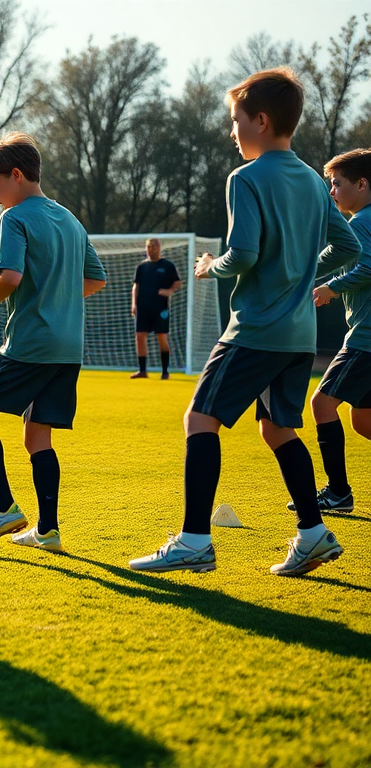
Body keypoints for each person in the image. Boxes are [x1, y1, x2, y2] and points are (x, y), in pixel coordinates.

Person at [130, 68, 362, 576]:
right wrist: (301, 271)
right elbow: (349, 246)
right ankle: (314, 533)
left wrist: (212, 265)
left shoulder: (246, 178)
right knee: (278, 429)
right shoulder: (310, 179)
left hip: (255, 330)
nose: (232, 132)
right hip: (298, 335)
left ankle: (194, 541)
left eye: (236, 121)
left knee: (199, 420)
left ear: (260, 120)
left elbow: (245, 254)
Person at [0, 132, 106, 554]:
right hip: (67, 348)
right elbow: (96, 278)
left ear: (17, 175)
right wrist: (57, 295)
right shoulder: (70, 220)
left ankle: (2, 506)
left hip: (30, 344)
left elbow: (11, 278)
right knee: (37, 437)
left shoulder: (16, 218)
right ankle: (47, 530)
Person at [300, 148, 371, 513]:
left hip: (366, 339)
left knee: (321, 403)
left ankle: (338, 493)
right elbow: (333, 256)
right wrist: (305, 271)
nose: (332, 192)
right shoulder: (363, 222)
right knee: (363, 420)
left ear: (362, 184)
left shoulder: (361, 222)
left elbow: (368, 268)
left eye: (337, 184)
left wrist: (332, 287)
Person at [130, 238, 181, 379]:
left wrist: (169, 290)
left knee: (161, 336)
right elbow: (136, 285)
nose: (150, 249)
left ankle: (165, 372)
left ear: (158, 247)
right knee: (140, 336)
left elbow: (177, 282)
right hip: (143, 307)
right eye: (148, 246)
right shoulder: (142, 267)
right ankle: (142, 370)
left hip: (160, 308)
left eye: (153, 246)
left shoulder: (167, 266)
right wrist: (134, 304)